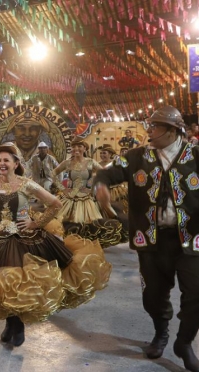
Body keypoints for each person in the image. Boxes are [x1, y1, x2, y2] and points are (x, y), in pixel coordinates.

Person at [0, 142, 111, 347]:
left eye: (6, 160)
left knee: (18, 282)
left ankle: (17, 326)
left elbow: (56, 204)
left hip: (24, 239)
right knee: (0, 282)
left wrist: (36, 223)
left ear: (16, 163)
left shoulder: (27, 184)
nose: (1, 163)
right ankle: (10, 324)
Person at [94, 106, 199, 372]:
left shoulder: (196, 155)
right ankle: (161, 333)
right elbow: (106, 173)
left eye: (155, 126)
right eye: (149, 125)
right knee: (153, 294)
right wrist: (102, 186)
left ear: (172, 130)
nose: (149, 131)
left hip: (190, 239)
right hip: (151, 240)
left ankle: (184, 342)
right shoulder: (137, 156)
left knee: (197, 295)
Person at [52, 138, 124, 248]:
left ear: (84, 148)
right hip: (69, 199)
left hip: (87, 200)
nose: (76, 149)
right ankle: (70, 246)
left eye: (79, 146)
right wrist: (63, 188)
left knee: (88, 226)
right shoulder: (67, 163)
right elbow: (53, 174)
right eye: (74, 146)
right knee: (63, 225)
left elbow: (104, 175)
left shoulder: (91, 162)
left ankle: (84, 247)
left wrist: (96, 185)